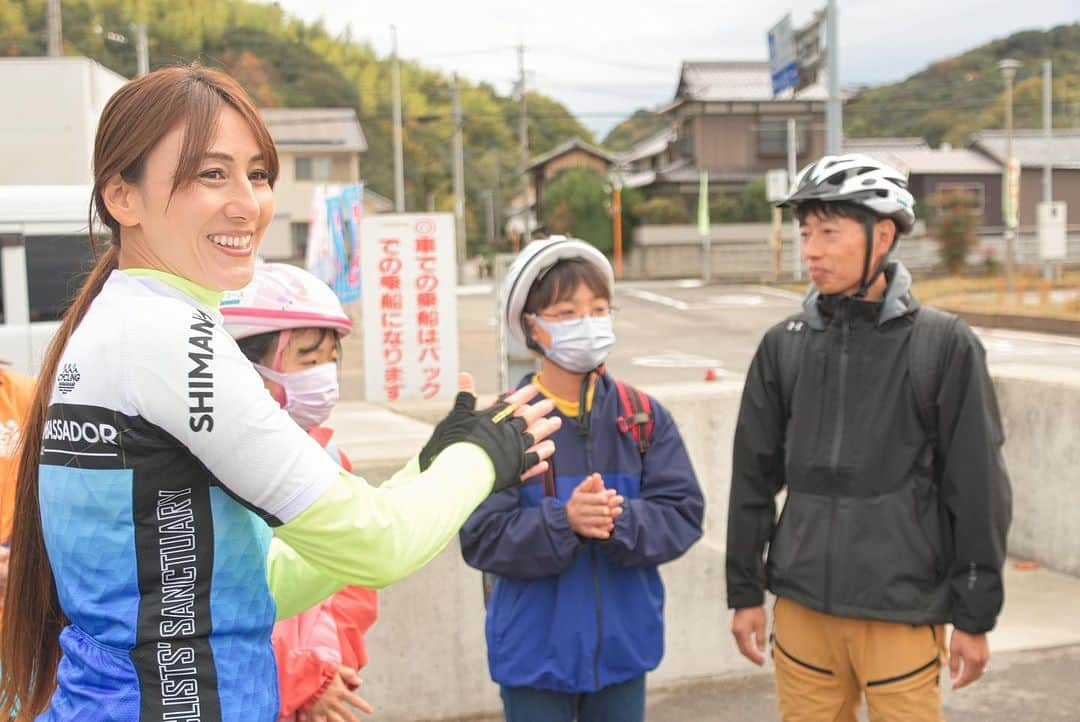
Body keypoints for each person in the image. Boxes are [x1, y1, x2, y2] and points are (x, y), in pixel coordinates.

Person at [0, 65, 559, 721]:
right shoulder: (168, 339)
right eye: (212, 174)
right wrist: (485, 456)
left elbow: (253, 582)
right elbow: (380, 547)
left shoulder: (120, 324)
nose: (248, 203)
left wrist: (430, 464)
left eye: (259, 174)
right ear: (122, 197)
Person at [726, 154, 1012, 722]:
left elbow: (976, 488)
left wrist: (974, 616)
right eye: (806, 232)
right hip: (802, 611)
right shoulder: (784, 345)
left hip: (901, 612)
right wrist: (743, 592)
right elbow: (752, 478)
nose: (811, 250)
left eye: (829, 232)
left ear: (882, 235)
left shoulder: (942, 345)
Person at [460, 236, 704, 722]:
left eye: (598, 309)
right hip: (533, 658)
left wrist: (618, 518)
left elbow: (683, 514)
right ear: (532, 326)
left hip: (622, 655)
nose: (588, 324)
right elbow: (480, 537)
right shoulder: (502, 424)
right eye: (568, 312)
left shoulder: (642, 417)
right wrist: (564, 521)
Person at [222, 262, 376, 722]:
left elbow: (355, 586)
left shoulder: (331, 461)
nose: (324, 376)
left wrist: (331, 673)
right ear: (248, 367)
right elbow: (224, 606)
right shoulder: (218, 473)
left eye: (331, 360)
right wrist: (303, 683)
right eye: (308, 361)